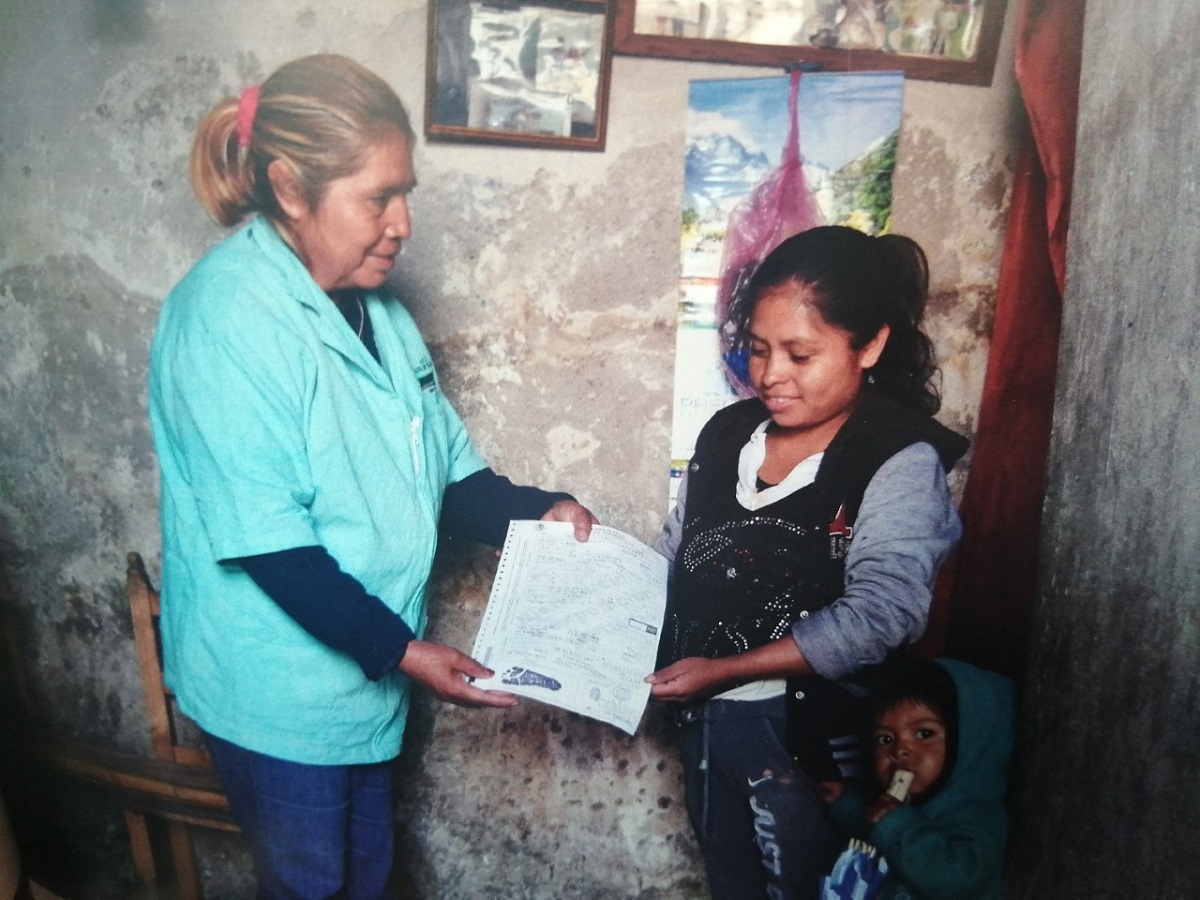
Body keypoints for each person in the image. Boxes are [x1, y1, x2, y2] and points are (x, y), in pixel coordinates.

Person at [148, 54, 596, 899]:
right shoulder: (227, 319)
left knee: (366, 878)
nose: (403, 224)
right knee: (315, 883)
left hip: (363, 668)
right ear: (290, 188)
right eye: (378, 197)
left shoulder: (378, 312)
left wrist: (540, 512)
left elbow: (445, 477)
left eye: (406, 193)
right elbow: (271, 546)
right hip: (281, 687)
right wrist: (405, 652)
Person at [647, 225, 970, 899]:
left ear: (870, 345)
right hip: (706, 727)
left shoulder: (896, 459)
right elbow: (673, 554)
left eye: (800, 354)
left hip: (811, 743)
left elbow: (881, 615)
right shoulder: (727, 436)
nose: (771, 374)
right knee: (732, 885)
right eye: (759, 349)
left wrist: (724, 670)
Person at [824, 657, 1017, 899]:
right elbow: (875, 828)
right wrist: (846, 802)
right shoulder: (905, 806)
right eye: (885, 739)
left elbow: (957, 879)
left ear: (969, 744)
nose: (899, 751)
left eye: (924, 734)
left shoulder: (978, 815)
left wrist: (896, 825)